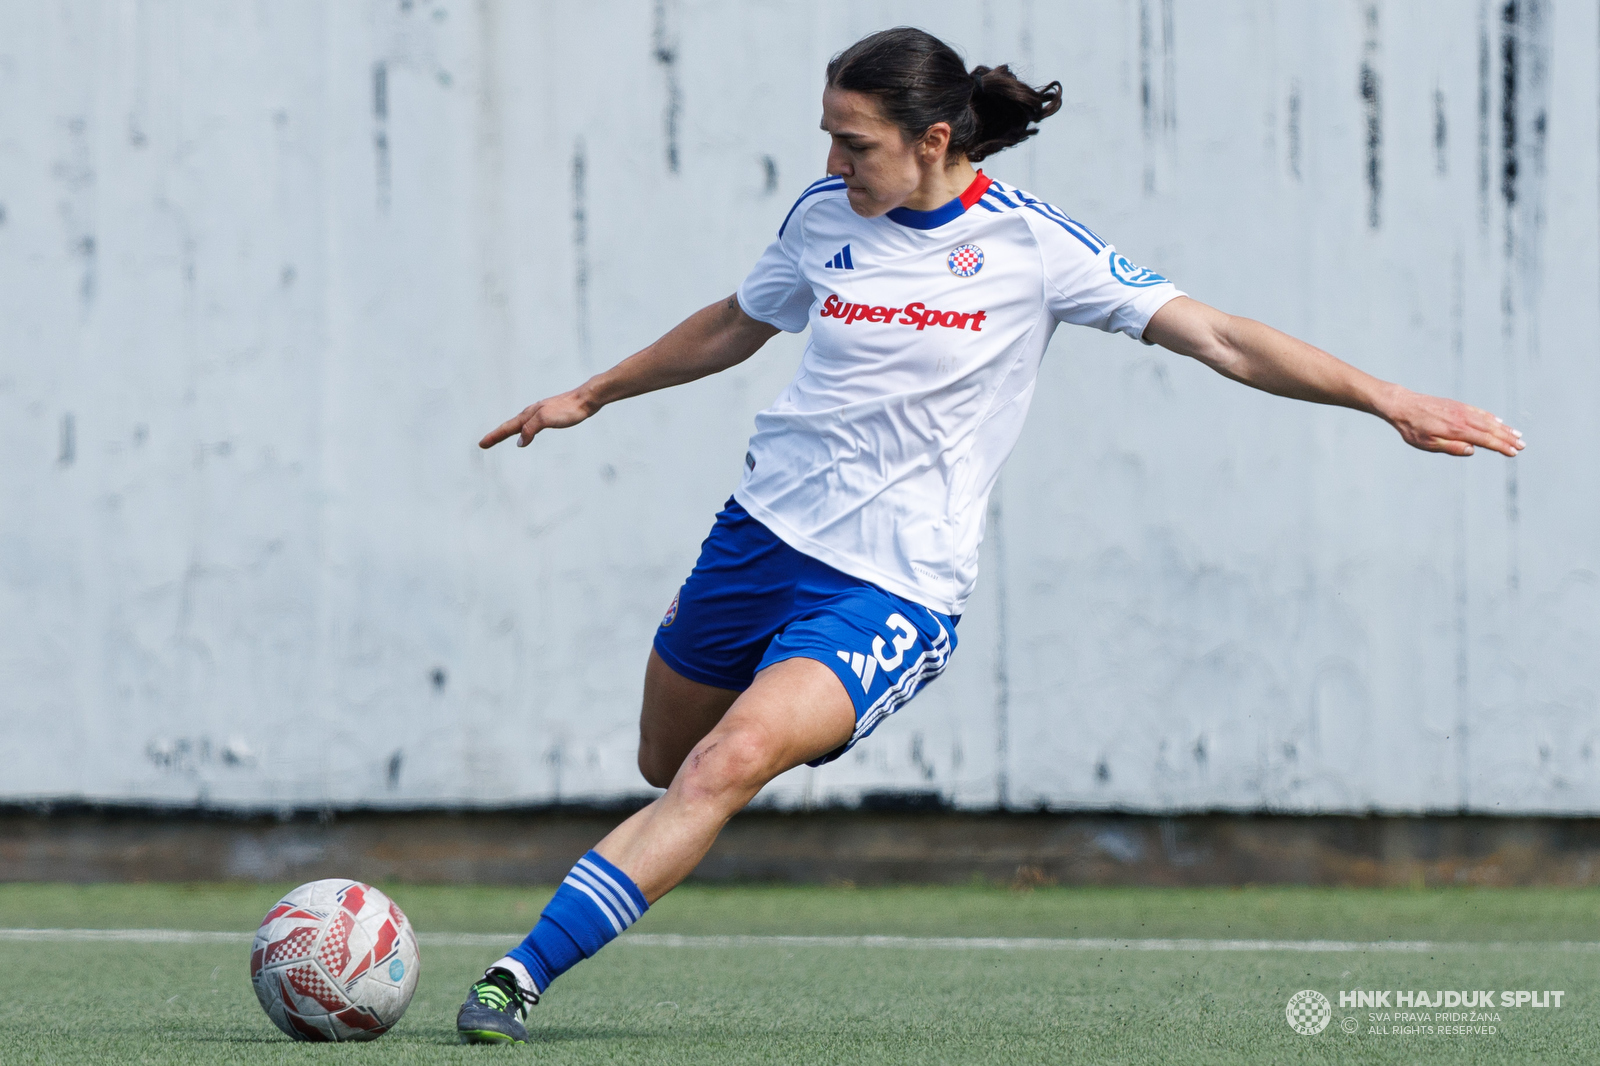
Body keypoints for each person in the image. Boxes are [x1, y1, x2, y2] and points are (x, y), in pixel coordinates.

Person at [453, 26, 1524, 1043]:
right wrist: (592, 392)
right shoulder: (823, 214)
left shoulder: (1029, 244)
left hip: (888, 588)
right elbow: (739, 319)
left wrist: (1384, 397)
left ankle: (519, 973)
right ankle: (727, 764)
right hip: (757, 540)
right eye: (828, 133)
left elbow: (1223, 338)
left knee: (722, 764)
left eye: (853, 140)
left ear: (932, 141)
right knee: (664, 757)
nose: (832, 157)